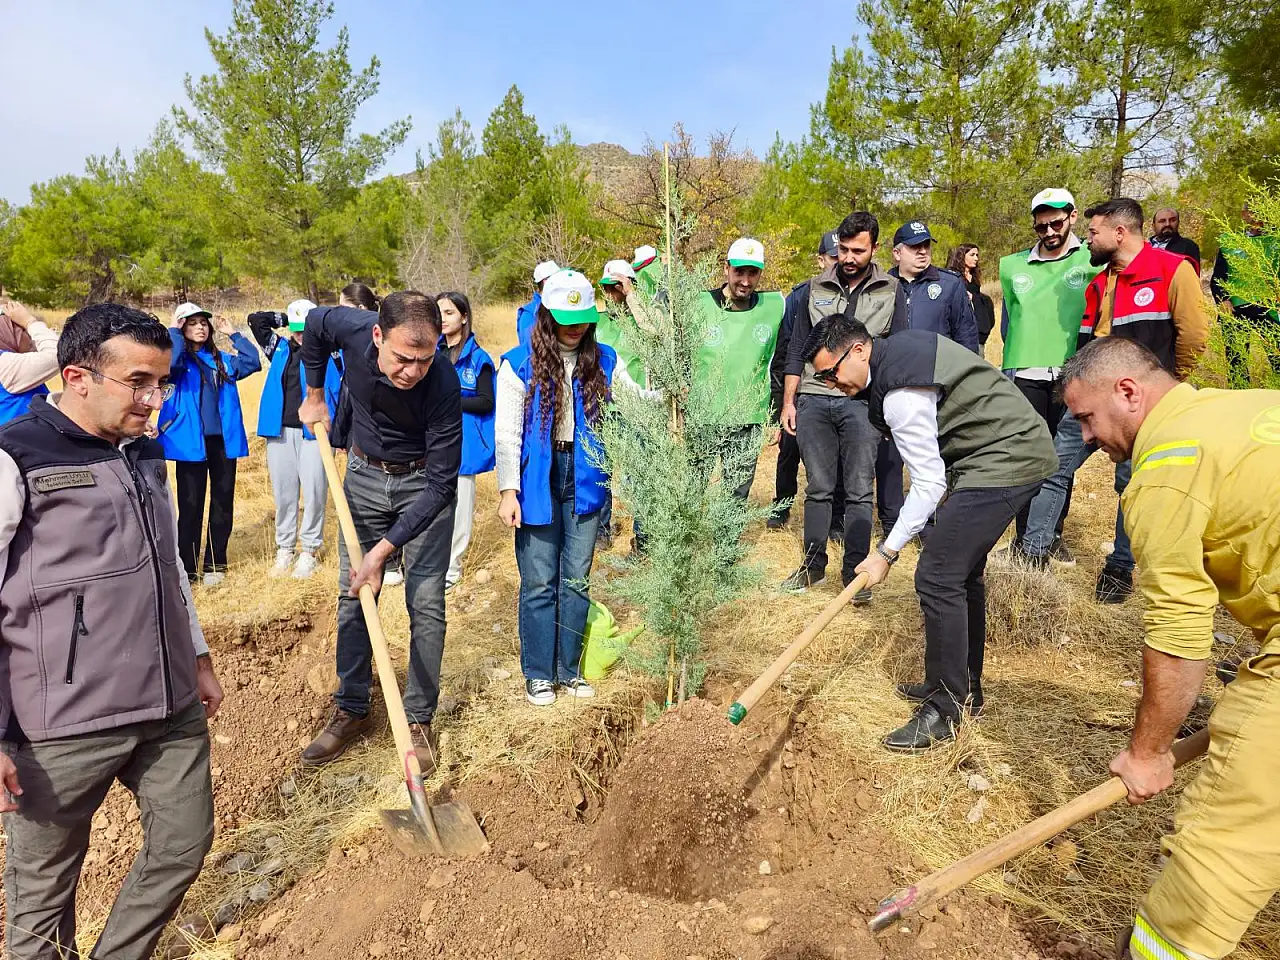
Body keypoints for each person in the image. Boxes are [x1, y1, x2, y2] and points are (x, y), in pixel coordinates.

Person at [0, 303, 224, 960]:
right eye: (139, 383)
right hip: (60, 724)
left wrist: (200, 655)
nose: (155, 400)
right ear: (77, 377)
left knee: (183, 844)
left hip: (168, 702)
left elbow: (168, 562)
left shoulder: (139, 447)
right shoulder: (16, 458)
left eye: (163, 382)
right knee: (42, 903)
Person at [1057, 335, 1280, 960]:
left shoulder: (1165, 469)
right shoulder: (1246, 409)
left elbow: (1181, 633)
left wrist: (1148, 752)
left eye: (1086, 418)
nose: (1088, 439)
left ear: (1127, 392)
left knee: (1222, 845)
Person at [805, 318, 1056, 751]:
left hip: (1005, 457)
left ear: (860, 351)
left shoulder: (900, 390)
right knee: (958, 576)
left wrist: (886, 552)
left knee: (938, 575)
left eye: (833, 373)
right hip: (999, 454)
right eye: (822, 377)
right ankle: (963, 687)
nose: (830, 384)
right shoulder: (897, 362)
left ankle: (945, 709)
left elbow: (927, 482)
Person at [297, 292, 461, 772]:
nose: (412, 371)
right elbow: (312, 326)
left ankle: (418, 719)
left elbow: (441, 486)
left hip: (421, 483)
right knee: (354, 596)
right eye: (402, 359)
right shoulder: (349, 326)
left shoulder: (444, 383)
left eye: (424, 360)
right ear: (376, 336)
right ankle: (351, 707)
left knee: (426, 602)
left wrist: (382, 554)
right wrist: (313, 394)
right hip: (364, 476)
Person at [1023, 198, 1210, 602]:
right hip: (1090, 405)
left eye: (1093, 233)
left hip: (1140, 412)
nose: (1087, 239)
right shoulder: (1098, 283)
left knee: (1130, 485)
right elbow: (1086, 345)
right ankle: (1032, 556)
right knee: (1054, 466)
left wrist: (1163, 389)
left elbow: (1194, 337)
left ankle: (1120, 568)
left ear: (1119, 233)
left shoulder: (1172, 271)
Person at [496, 270, 619, 706]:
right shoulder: (518, 365)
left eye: (582, 316)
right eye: (565, 316)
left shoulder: (605, 360)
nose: (574, 325)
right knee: (538, 581)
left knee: (577, 580)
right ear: (546, 314)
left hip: (584, 475)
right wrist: (509, 491)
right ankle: (539, 674)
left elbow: (636, 397)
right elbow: (508, 435)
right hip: (537, 478)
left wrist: (669, 390)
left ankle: (569, 670)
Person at [780, 213, 905, 597]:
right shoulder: (813, 288)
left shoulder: (892, 290)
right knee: (818, 487)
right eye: (842, 250)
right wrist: (789, 401)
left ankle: (856, 574)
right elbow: (797, 348)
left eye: (857, 250)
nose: (848, 258)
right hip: (815, 400)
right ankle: (811, 567)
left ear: (874, 249)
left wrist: (887, 407)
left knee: (858, 490)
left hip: (861, 404)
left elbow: (896, 349)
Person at [998, 188, 1097, 566]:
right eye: (1041, 227)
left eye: (1056, 223)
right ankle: (1026, 537)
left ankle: (1051, 533)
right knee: (1029, 458)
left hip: (1072, 375)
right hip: (1024, 373)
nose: (1050, 232)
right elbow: (1011, 321)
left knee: (1062, 460)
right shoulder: (1011, 266)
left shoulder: (1092, 260)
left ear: (1072, 216)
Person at [159, 302, 261, 586]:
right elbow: (171, 362)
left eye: (204, 323)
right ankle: (188, 568)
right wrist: (174, 331)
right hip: (190, 443)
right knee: (190, 506)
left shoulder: (223, 360)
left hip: (223, 443)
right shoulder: (178, 361)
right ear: (182, 327)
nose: (200, 327)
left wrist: (235, 334)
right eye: (192, 323)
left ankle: (216, 563)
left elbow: (252, 361)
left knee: (222, 503)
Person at [249, 299, 344, 579]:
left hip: (315, 433)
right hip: (280, 431)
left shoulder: (331, 351)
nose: (302, 334)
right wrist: (286, 319)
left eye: (307, 328)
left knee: (315, 492)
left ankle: (309, 550)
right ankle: (285, 548)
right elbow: (256, 319)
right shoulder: (278, 348)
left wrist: (320, 321)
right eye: (297, 328)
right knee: (284, 493)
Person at [693, 238, 783, 501]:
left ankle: (727, 542)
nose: (745, 280)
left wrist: (774, 415)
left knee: (737, 492)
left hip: (748, 417)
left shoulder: (775, 307)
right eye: (739, 271)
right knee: (692, 489)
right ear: (726, 268)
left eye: (752, 273)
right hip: (704, 414)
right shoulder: (698, 304)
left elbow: (778, 362)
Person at [767, 229, 844, 532]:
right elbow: (785, 351)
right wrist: (781, 403)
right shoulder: (799, 296)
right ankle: (782, 505)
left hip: (835, 390)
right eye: (832, 258)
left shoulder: (850, 293)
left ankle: (837, 516)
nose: (837, 263)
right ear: (821, 258)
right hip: (799, 389)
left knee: (835, 457)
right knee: (789, 451)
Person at [438, 291, 494, 589]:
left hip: (465, 444)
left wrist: (451, 400)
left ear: (463, 316)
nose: (443, 319)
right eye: (439, 313)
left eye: (448, 313)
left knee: (460, 511)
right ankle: (432, 562)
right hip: (434, 443)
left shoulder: (479, 359)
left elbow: (486, 402)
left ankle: (452, 568)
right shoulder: (431, 353)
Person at [1211, 202, 1280, 384]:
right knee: (1236, 360)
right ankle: (1240, 401)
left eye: (1261, 212)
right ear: (1244, 215)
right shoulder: (1229, 241)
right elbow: (1218, 277)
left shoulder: (1275, 241)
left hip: (1268, 306)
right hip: (1235, 307)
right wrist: (1223, 300)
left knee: (1277, 355)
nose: (1257, 218)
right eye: (1253, 213)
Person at [888, 220, 979, 352]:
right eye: (915, 246)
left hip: (939, 370)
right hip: (895, 370)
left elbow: (966, 336)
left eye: (926, 245)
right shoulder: (883, 286)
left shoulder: (951, 284)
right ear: (897, 253)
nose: (923, 251)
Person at [0, 293, 60, 425]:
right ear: (8, 335)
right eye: (24, 331)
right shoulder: (5, 365)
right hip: (17, 442)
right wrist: (29, 322)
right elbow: (58, 353)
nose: (33, 339)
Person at [945, 244, 995, 348]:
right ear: (962, 256)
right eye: (972, 255)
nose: (976, 258)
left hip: (978, 331)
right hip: (959, 334)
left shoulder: (975, 276)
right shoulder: (952, 276)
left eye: (977, 255)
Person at [516, 260, 561, 346]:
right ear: (545, 281)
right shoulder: (530, 313)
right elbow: (529, 348)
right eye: (558, 278)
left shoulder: (562, 307)